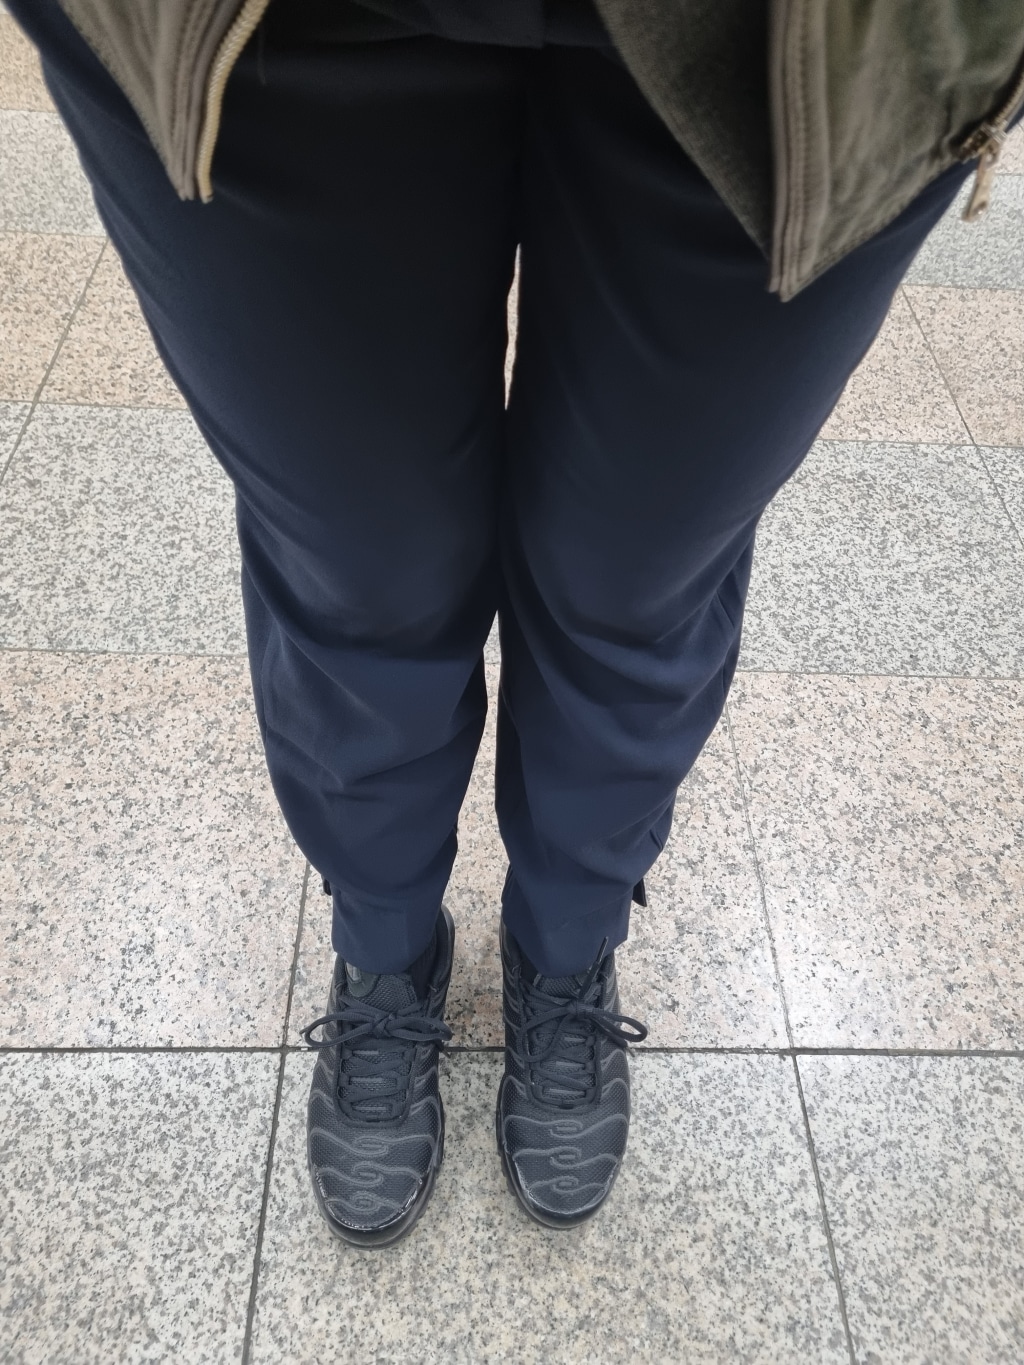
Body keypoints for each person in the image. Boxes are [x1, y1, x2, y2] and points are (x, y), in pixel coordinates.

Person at [9, 0, 1024, 1246]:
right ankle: (387, 947)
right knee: (361, 574)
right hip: (265, 29)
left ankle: (566, 946)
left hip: (803, 41)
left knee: (634, 583)